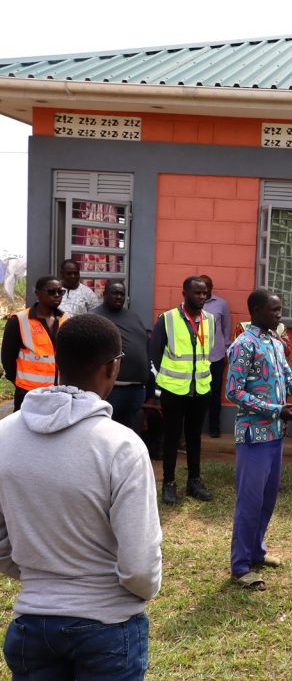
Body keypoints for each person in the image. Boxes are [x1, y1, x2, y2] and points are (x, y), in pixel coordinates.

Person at [0, 314, 163, 680]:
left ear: (57, 361)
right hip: (108, 627)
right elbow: (139, 565)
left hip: (32, 626)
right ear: (112, 367)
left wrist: (39, 578)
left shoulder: (4, 435)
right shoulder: (121, 446)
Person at [226, 289, 292, 590]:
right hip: (253, 436)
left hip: (274, 434)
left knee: (267, 499)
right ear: (256, 310)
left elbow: (288, 384)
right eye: (274, 310)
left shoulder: (275, 342)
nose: (279, 315)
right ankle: (240, 566)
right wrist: (276, 409)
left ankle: (256, 552)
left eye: (280, 309)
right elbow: (233, 391)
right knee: (249, 502)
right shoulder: (243, 344)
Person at [150, 276, 216, 505]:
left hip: (200, 388)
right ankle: (168, 483)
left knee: (194, 437)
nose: (202, 297)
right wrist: (159, 384)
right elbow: (154, 353)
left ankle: (194, 481)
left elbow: (207, 350)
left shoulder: (210, 319)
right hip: (174, 389)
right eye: (197, 293)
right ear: (184, 294)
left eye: (205, 293)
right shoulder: (167, 319)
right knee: (172, 436)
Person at [90, 280, 151, 432]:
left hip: (136, 389)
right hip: (112, 390)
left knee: (130, 433)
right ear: (104, 294)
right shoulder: (94, 317)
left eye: (122, 294)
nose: (119, 297)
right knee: (108, 432)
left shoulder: (133, 316)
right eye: (115, 293)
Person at [1, 276, 68, 411]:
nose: (57, 295)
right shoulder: (19, 320)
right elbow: (8, 358)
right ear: (38, 293)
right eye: (51, 291)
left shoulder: (66, 320)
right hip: (28, 393)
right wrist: (18, 383)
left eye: (60, 292)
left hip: (59, 392)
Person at [198, 275, 231, 438]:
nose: (204, 290)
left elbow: (226, 328)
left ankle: (214, 427)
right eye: (201, 286)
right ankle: (196, 426)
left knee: (215, 393)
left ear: (212, 287)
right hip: (196, 357)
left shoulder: (221, 304)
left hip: (216, 356)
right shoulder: (192, 303)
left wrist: (225, 350)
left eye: (207, 286)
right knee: (197, 392)